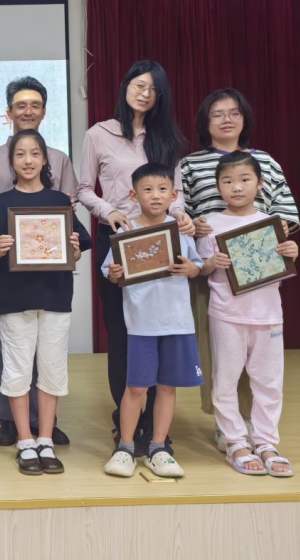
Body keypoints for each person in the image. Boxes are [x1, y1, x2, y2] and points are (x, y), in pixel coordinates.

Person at [77, 61, 194, 456]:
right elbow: (83, 188)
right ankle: (126, 421)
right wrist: (106, 210)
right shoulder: (99, 133)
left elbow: (176, 191)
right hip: (118, 239)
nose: (145, 93)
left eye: (154, 89)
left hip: (160, 239)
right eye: (139, 85)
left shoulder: (166, 137)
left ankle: (155, 429)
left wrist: (180, 214)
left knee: (157, 331)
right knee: (122, 332)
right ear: (125, 86)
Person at [180, 88, 300, 451]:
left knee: (262, 363)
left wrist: (276, 239)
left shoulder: (265, 161)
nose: (226, 120)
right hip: (212, 266)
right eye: (217, 114)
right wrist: (193, 225)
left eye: (234, 113)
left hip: (259, 272)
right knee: (218, 355)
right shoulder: (190, 164)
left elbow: (286, 213)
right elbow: (178, 210)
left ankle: (254, 427)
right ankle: (227, 426)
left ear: (244, 118)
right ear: (205, 122)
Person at [0, 130, 91, 476]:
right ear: (11, 161)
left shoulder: (60, 202)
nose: (28, 160)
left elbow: (76, 253)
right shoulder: (1, 203)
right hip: (14, 298)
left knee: (53, 369)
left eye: (35, 154)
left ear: (45, 159)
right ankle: (25, 441)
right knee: (17, 369)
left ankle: (46, 439)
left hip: (55, 296)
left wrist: (72, 249)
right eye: (20, 154)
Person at [0, 76, 78, 448]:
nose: (28, 111)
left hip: (51, 270)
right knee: (10, 340)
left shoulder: (60, 159)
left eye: (35, 105)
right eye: (21, 105)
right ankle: (10, 420)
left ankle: (44, 423)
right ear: (9, 112)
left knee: (49, 347)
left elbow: (66, 212)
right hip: (6, 264)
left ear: (44, 111)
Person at [197, 151, 298, 477]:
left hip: (268, 315)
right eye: (227, 181)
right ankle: (236, 442)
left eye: (244, 180)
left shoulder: (272, 224)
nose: (236, 187)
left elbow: (279, 267)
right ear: (218, 186)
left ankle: (267, 442)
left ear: (260, 183)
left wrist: (291, 252)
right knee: (225, 381)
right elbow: (202, 268)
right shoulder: (210, 224)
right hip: (227, 314)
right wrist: (212, 263)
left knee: (269, 383)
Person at [101, 163, 203, 479]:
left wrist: (192, 269)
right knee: (136, 387)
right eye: (147, 190)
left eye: (162, 189)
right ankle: (125, 447)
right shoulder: (126, 232)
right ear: (134, 195)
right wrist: (115, 274)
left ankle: (158, 448)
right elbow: (110, 272)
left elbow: (197, 266)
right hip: (141, 325)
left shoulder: (181, 230)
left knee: (167, 387)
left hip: (177, 322)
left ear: (173, 195)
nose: (155, 196)